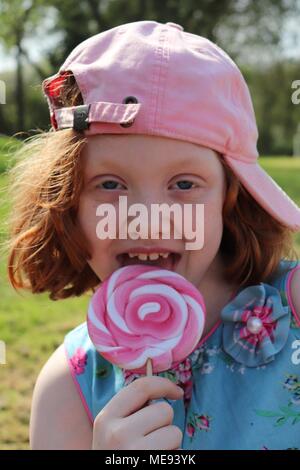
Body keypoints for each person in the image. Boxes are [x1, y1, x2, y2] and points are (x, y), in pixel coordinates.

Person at [6, 20, 300, 450]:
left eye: (183, 184)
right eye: (109, 184)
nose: (148, 219)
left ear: (231, 197)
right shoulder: (68, 388)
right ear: (68, 201)